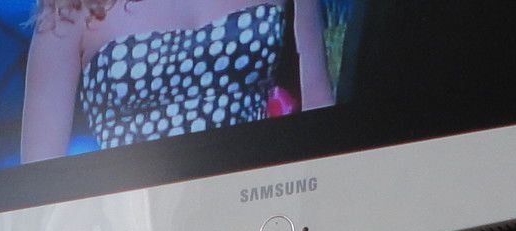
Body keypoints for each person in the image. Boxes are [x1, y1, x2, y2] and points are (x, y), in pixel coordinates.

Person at [20, 0, 333, 162]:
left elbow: (320, 110)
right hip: (137, 224)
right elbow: (42, 172)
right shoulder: (69, 7)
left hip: (258, 199)